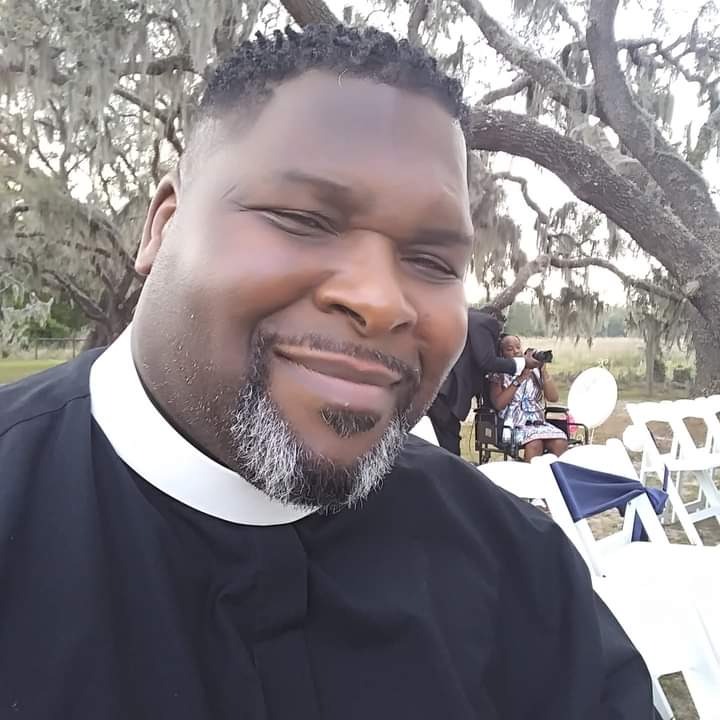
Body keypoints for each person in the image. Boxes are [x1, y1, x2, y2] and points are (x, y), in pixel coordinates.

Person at [0, 25, 654, 720]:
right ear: (163, 226)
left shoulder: (521, 570)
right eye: (302, 219)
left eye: (432, 261)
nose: (380, 301)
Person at [428, 306, 540, 455]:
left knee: (436, 441)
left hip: (433, 386)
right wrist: (523, 363)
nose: (496, 336)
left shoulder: (461, 320)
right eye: (497, 332)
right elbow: (486, 361)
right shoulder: (485, 321)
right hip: (447, 392)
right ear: (493, 316)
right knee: (449, 444)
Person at [490, 334, 569, 460]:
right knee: (535, 443)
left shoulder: (534, 371)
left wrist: (543, 371)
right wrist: (520, 379)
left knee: (560, 442)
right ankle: (530, 473)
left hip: (538, 423)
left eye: (518, 347)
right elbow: (498, 404)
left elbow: (553, 398)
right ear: (502, 354)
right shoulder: (499, 374)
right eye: (510, 349)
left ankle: (555, 472)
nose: (516, 351)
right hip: (513, 425)